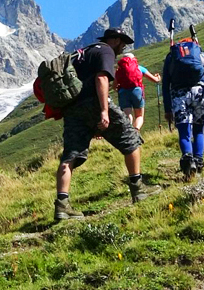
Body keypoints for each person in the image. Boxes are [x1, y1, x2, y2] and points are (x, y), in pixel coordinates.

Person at [54, 28, 160, 222]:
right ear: (116, 40)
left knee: (69, 156)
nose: (123, 48)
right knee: (131, 138)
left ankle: (62, 206)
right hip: (94, 102)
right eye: (123, 44)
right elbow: (102, 78)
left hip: (72, 109)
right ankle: (138, 188)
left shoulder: (80, 54)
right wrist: (103, 111)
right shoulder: (105, 51)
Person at [162, 34, 204, 180]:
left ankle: (188, 159)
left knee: (184, 131)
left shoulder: (172, 57)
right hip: (200, 93)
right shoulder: (201, 55)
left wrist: (168, 109)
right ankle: (198, 162)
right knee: (199, 130)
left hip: (179, 95)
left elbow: (165, 83)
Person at [114, 52, 161, 132]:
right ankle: (136, 131)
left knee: (127, 114)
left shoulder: (119, 70)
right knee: (139, 116)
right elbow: (155, 80)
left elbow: (114, 86)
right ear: (134, 58)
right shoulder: (139, 68)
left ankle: (127, 131)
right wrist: (158, 78)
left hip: (123, 93)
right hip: (137, 92)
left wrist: (118, 89)